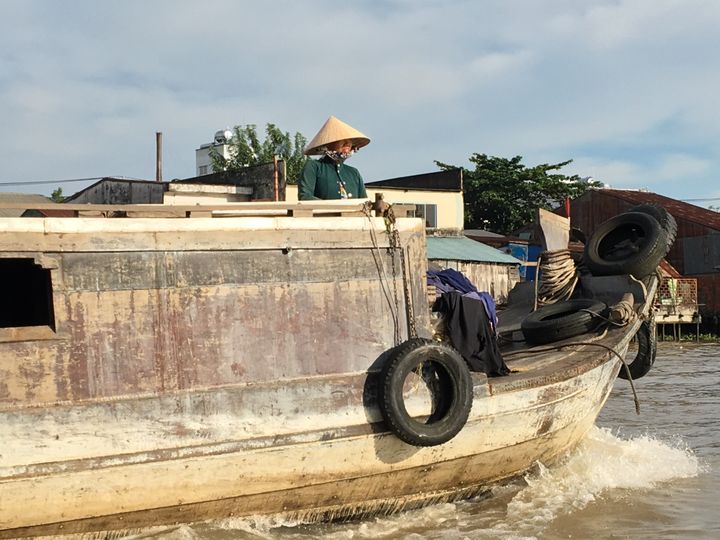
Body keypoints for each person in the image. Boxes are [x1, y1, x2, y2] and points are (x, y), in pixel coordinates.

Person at [298, 116, 370, 200]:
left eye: (350, 140)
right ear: (328, 144)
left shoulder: (353, 173)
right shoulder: (314, 167)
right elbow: (305, 197)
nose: (347, 143)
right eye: (342, 139)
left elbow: (364, 203)